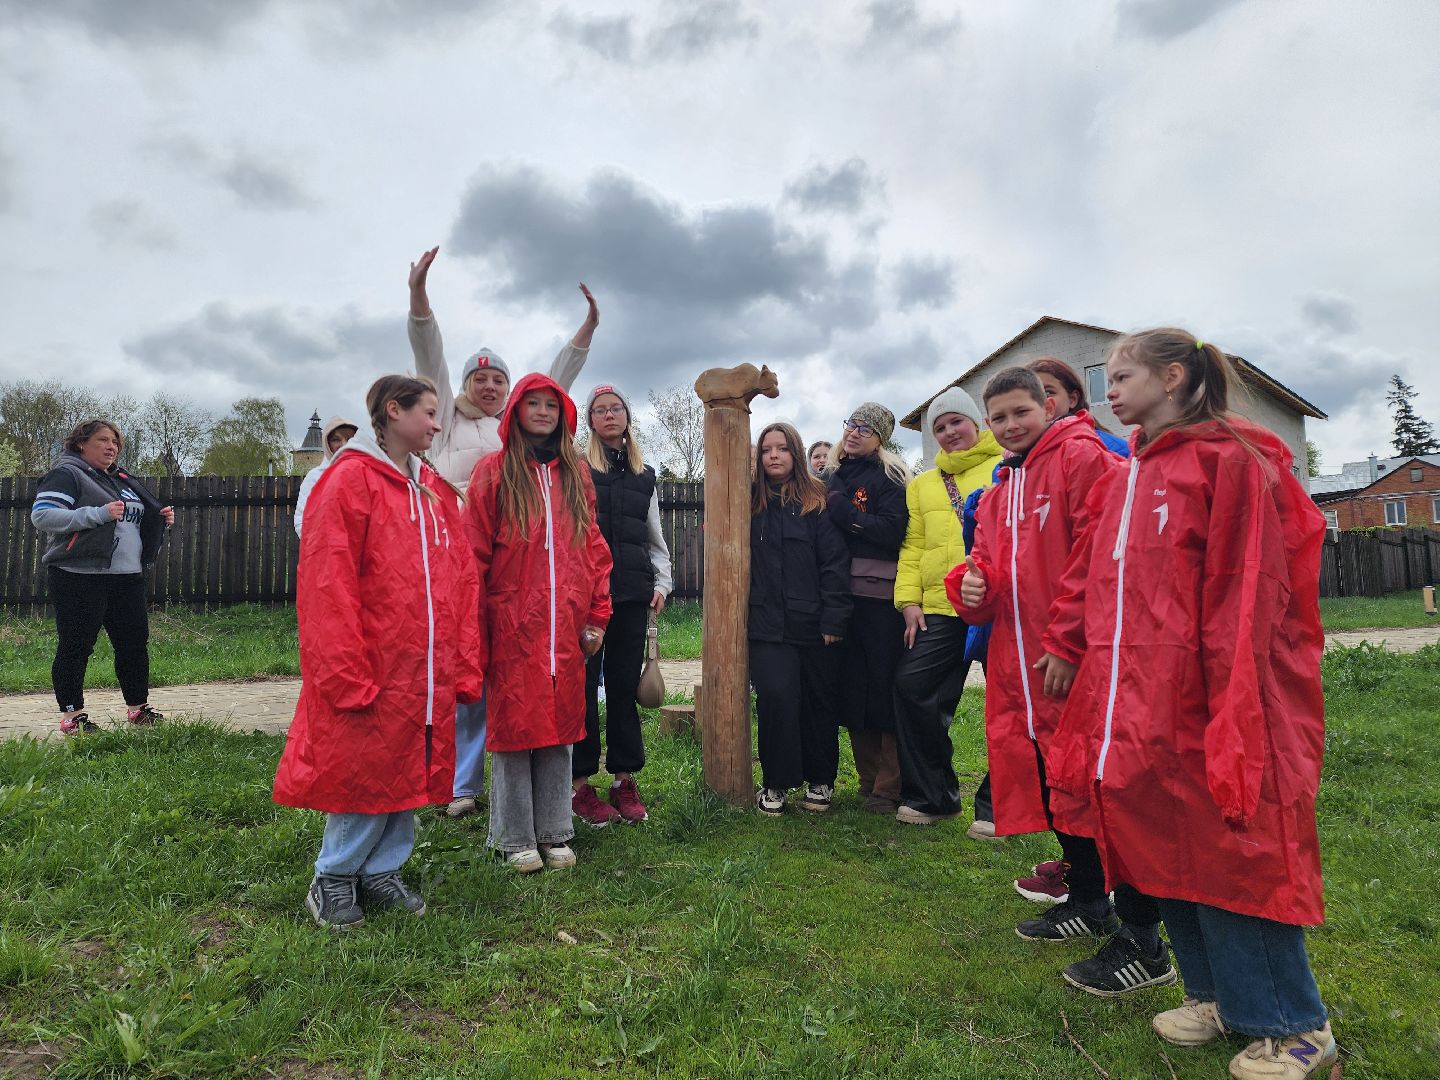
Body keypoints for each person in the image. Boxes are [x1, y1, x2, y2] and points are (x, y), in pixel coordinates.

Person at [1040, 330, 1334, 1078]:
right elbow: (1096, 582)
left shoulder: (1233, 461)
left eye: (1122, 375)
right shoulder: (1128, 476)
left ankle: (1293, 1025)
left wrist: (1235, 704)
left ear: (1173, 376)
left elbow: (1251, 589)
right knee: (1163, 844)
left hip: (1214, 697)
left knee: (1237, 853)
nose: (1109, 389)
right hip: (1139, 703)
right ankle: (1212, 995)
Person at [949, 368, 1174, 999]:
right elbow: (984, 568)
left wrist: (1070, 643)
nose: (1011, 425)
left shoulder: (1083, 459)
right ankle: (1088, 900)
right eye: (999, 418)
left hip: (1075, 663)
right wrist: (969, 587)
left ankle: (1144, 939)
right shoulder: (1000, 492)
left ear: (1048, 407)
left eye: (1021, 411)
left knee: (1104, 791)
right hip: (1021, 670)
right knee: (1057, 785)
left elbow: (1102, 559)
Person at [273, 375, 483, 930]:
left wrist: (460, 660)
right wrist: (342, 667)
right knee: (363, 771)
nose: (436, 424)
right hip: (372, 659)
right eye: (428, 413)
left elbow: (458, 577)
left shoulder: (430, 489)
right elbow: (328, 582)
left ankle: (382, 869)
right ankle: (333, 876)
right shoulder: (349, 481)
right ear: (394, 411)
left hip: (423, 664)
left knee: (407, 766)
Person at [407, 245, 599, 819]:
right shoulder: (445, 422)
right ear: (465, 383)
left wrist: (586, 331)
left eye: (498, 379)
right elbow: (429, 356)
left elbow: (556, 383)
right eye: (480, 378)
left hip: (519, 558)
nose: (489, 386)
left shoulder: (519, 435)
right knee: (470, 672)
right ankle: (463, 783)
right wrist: (419, 297)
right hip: (457, 550)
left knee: (515, 675)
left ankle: (521, 791)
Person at [466, 374, 612, 871]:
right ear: (516, 411)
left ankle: (554, 830)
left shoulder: (575, 475)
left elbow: (593, 549)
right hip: (512, 623)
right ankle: (513, 836)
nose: (544, 411)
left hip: (565, 627)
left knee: (559, 726)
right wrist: (475, 627)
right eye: (534, 403)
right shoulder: (493, 473)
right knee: (513, 728)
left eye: (552, 404)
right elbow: (473, 555)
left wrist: (597, 615)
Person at [892, 387, 1002, 826]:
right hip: (941, 605)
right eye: (940, 427)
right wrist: (908, 601)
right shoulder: (923, 485)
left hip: (999, 606)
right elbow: (913, 546)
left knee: (1008, 704)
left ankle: (999, 807)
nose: (949, 431)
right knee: (912, 686)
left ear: (976, 423)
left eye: (957, 421)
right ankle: (933, 796)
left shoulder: (1007, 466)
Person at [30, 420, 174, 735]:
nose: (111, 447)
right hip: (79, 575)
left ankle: (138, 710)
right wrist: (97, 514)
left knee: (133, 644)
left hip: (127, 576)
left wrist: (157, 519)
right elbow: (42, 515)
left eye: (115, 442)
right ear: (81, 443)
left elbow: (129, 519)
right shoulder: (68, 474)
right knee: (77, 645)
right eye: (103, 440)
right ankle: (73, 717)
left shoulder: (120, 478)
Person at [572, 384, 673, 827]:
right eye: (600, 410)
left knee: (623, 688)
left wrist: (663, 583)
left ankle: (623, 780)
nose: (609, 415)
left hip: (632, 593)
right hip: (585, 598)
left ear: (627, 417)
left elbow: (654, 536)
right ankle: (578, 785)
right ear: (590, 421)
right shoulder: (577, 470)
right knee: (581, 689)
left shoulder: (644, 475)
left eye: (616, 408)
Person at [750, 422, 851, 815]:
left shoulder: (816, 501)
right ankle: (776, 783)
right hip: (766, 624)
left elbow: (834, 564)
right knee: (775, 698)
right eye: (766, 450)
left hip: (813, 624)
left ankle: (820, 780)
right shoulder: (749, 502)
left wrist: (834, 619)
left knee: (817, 701)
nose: (773, 456)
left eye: (782, 448)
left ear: (795, 452)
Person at [822, 404, 910, 813]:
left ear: (880, 439)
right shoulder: (832, 475)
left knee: (883, 685)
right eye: (851, 424)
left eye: (865, 428)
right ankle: (868, 778)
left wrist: (846, 514)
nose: (853, 432)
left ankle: (890, 786)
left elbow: (892, 531)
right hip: (839, 596)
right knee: (853, 686)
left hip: (880, 599)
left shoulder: (890, 477)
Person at [1026, 357, 1130, 457]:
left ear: (1072, 399)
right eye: (1027, 397)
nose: (1037, 402)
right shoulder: (1021, 455)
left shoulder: (1113, 450)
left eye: (1048, 393)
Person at [293, 415, 359, 537]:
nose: (344, 444)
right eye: (336, 439)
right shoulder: (315, 477)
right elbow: (301, 521)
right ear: (327, 443)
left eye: (349, 439)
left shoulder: (365, 475)